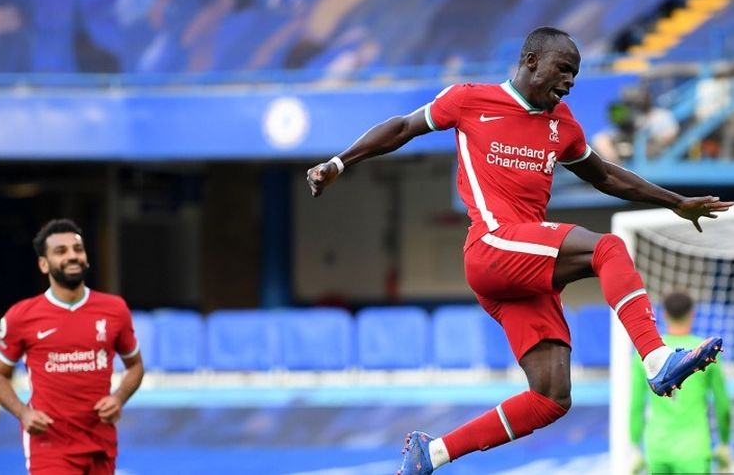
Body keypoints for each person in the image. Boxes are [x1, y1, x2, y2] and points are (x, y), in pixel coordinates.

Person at [305, 26, 733, 474]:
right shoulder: (469, 100)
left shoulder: (562, 124)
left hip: (523, 267)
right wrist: (339, 163)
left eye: (576, 75)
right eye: (563, 69)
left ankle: (430, 454)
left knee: (551, 398)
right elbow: (402, 128)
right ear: (531, 61)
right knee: (607, 249)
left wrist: (677, 201)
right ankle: (657, 357)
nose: (569, 82)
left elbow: (605, 175)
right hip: (492, 244)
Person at [0, 219, 145, 474]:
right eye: (61, 251)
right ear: (43, 264)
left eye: (77, 249)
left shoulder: (115, 310)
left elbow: (135, 365)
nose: (72, 256)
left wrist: (118, 398)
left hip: (100, 440)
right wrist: (23, 413)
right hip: (50, 443)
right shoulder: (21, 316)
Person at [630, 291, 731, 474]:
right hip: (694, 449)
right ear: (692, 314)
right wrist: (724, 442)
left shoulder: (646, 356)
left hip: (658, 449)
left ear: (664, 315)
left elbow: (636, 405)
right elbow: (722, 404)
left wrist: (635, 447)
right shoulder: (705, 351)